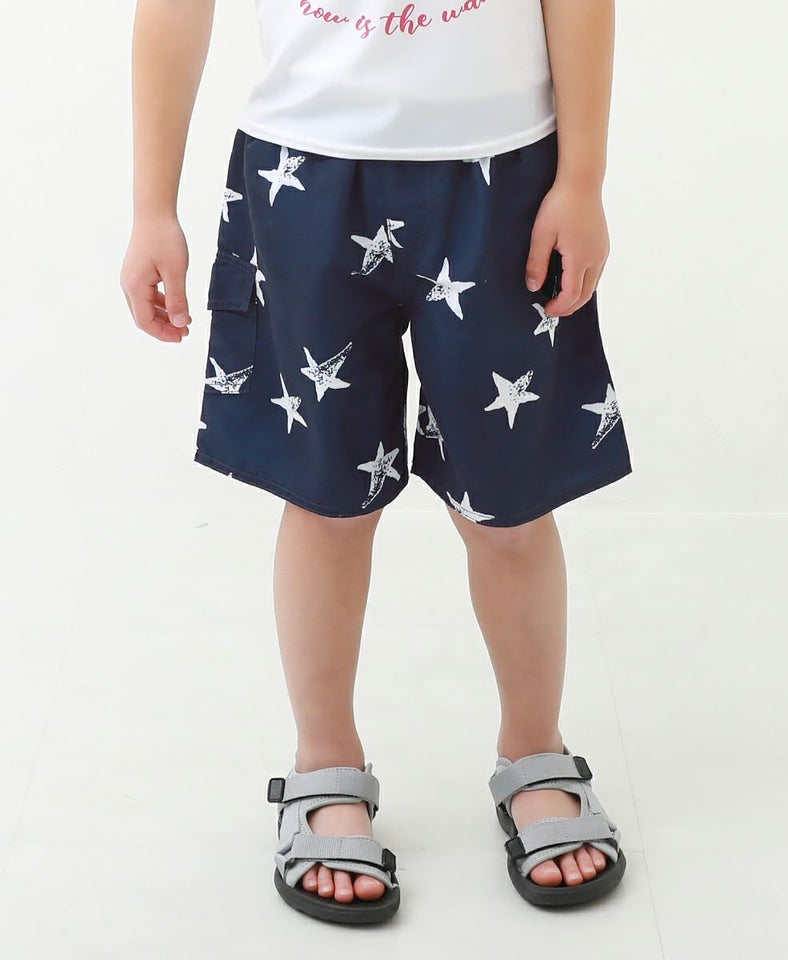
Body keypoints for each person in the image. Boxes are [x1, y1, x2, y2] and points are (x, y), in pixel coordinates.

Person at [121, 0, 633, 924]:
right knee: (328, 502)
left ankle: (535, 749)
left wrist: (583, 177)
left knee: (509, 512)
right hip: (304, 177)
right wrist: (152, 207)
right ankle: (325, 763)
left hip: (503, 177)